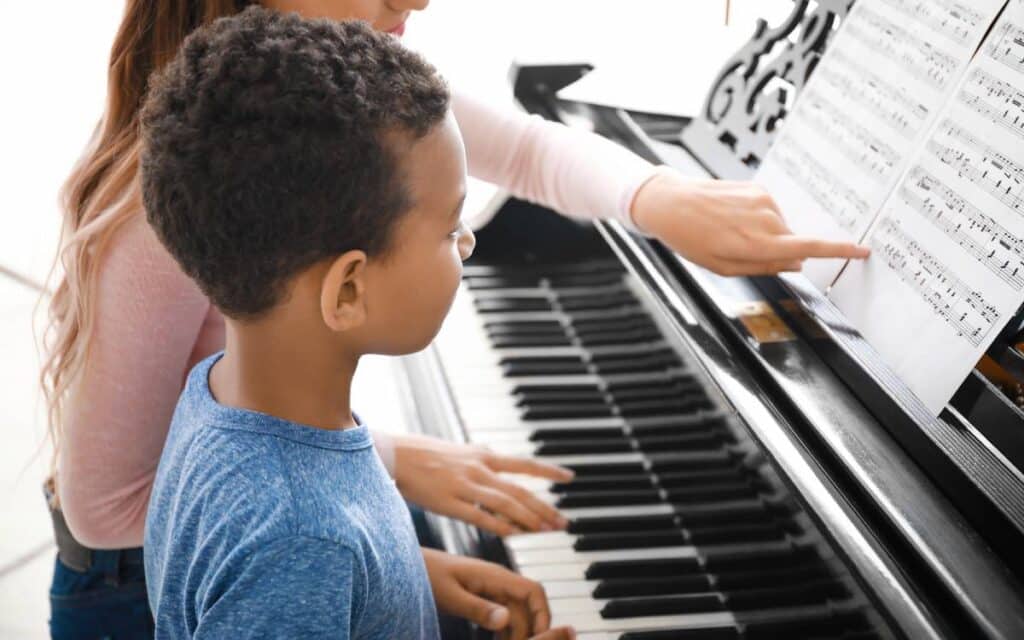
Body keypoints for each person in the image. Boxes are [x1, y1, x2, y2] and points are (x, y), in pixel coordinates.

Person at [42, 0, 870, 637]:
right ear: (348, 287)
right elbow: (109, 506)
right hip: (125, 583)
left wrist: (659, 197)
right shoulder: (157, 221)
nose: (424, 1)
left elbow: (530, 151)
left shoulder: (321, 97)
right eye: (448, 230)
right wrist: (375, 506)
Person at [139, 11, 571, 638]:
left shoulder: (218, 391)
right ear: (347, 290)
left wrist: (399, 582)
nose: (470, 242)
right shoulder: (302, 543)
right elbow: (286, 557)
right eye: (451, 227)